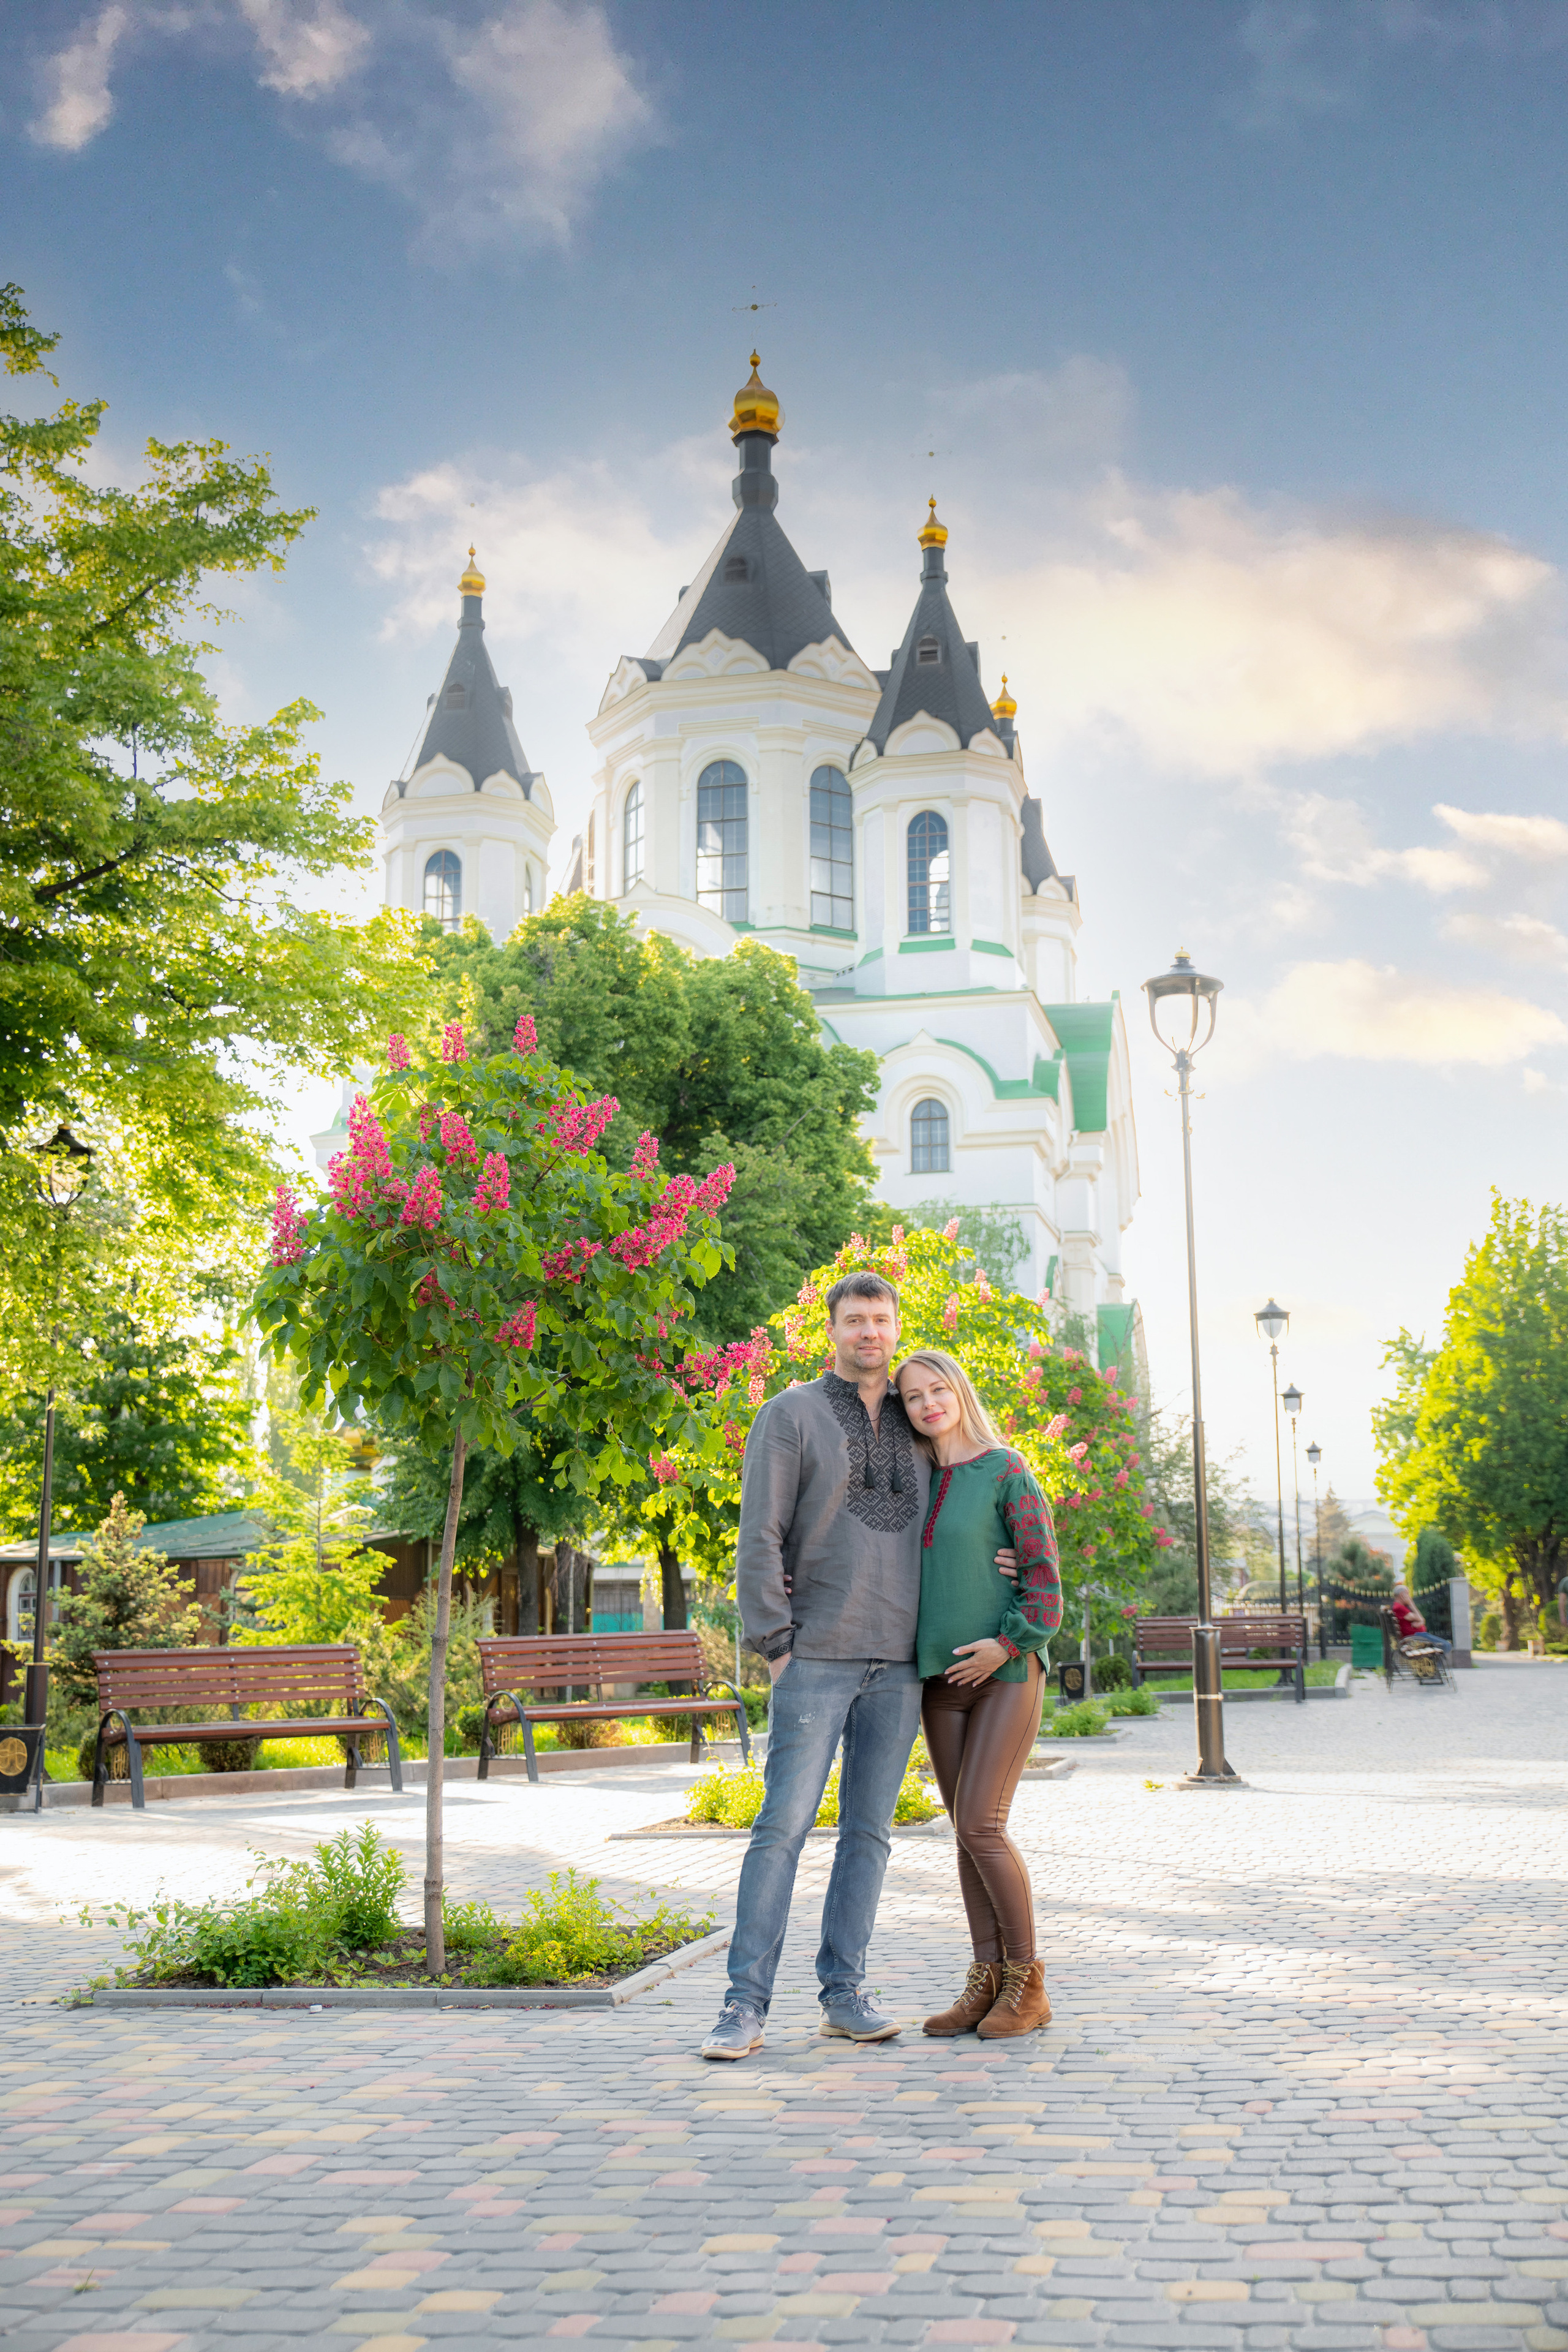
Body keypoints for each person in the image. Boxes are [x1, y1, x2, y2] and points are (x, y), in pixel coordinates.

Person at [701, 1270, 1016, 2061]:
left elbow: (969, 1509)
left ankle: (844, 1995)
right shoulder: (792, 1414)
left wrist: (1001, 1560)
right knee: (782, 1830)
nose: (869, 1332)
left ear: (896, 1327)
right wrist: (775, 1644)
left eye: (881, 1319)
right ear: (832, 1329)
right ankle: (744, 2006)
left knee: (868, 1834)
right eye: (855, 1320)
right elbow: (759, 1536)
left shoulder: (921, 1424)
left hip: (902, 1664)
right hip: (815, 1659)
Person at [895, 1348, 1060, 2041]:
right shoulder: (912, 1483)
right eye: (912, 1397)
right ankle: (985, 1980)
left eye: (938, 1389)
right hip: (938, 1682)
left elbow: (1045, 1578)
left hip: (1004, 1674)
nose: (929, 1403)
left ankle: (1027, 1982)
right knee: (963, 1835)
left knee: (983, 1826)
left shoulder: (1006, 1468)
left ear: (960, 1390)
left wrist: (1007, 1643)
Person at [1390, 1583, 1451, 1656]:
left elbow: (1421, 1619)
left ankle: (1435, 1667)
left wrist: (1421, 1621)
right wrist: (1411, 1604)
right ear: (1402, 1594)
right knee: (1446, 1645)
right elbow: (1419, 1618)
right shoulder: (1399, 1608)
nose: (1410, 1597)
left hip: (1417, 1637)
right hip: (1415, 1638)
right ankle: (1435, 1667)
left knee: (1445, 1646)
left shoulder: (1399, 1607)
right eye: (1408, 1594)